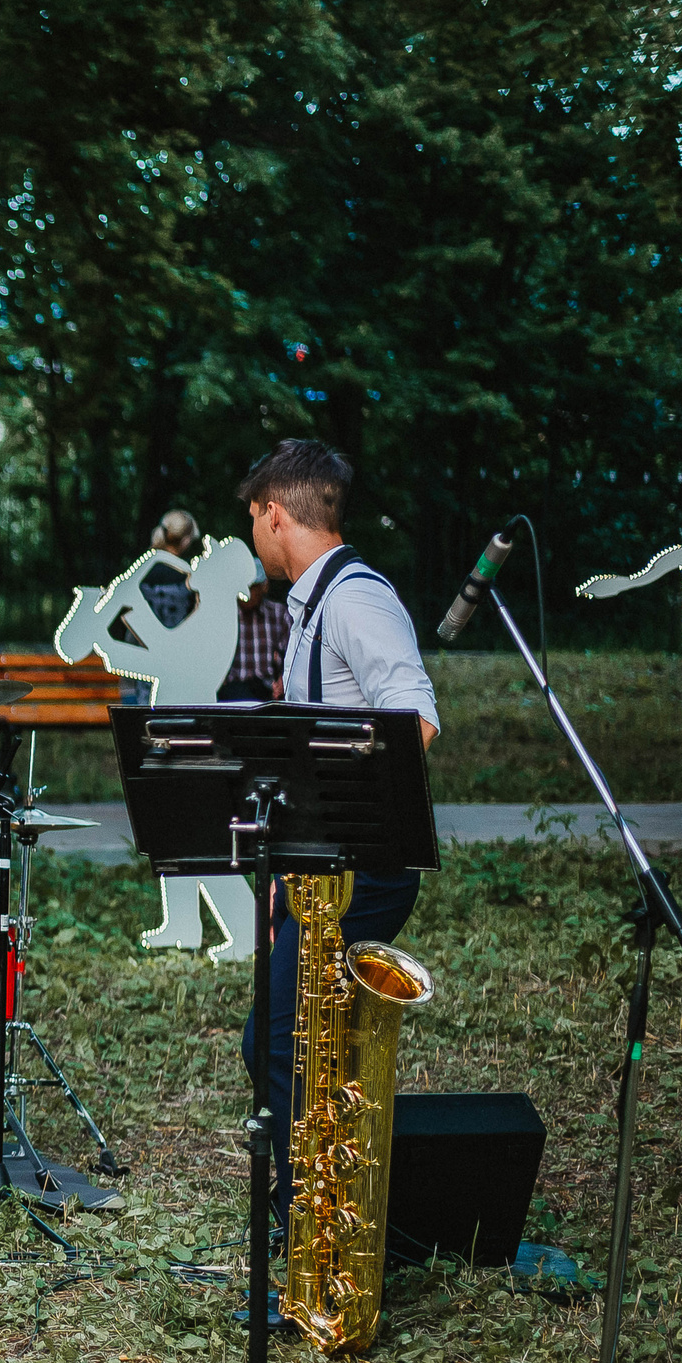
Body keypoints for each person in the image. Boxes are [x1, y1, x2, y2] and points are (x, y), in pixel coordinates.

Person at [233, 439, 439, 1228]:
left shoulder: (355, 599)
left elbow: (415, 718)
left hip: (367, 868)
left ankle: (316, 1219)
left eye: (253, 517)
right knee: (293, 1042)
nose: (254, 532)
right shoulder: (314, 605)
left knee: (279, 1040)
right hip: (325, 870)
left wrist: (339, 838)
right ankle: (325, 1204)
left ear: (274, 513)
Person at [217, 550, 293, 702]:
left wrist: (283, 681)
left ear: (264, 587)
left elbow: (292, 656)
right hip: (232, 690)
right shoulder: (223, 616)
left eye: (252, 587)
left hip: (267, 692)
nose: (245, 594)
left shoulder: (279, 614)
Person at [140, 510, 200, 629]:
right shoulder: (191, 573)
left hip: (140, 642)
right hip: (179, 643)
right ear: (186, 541)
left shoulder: (142, 568)